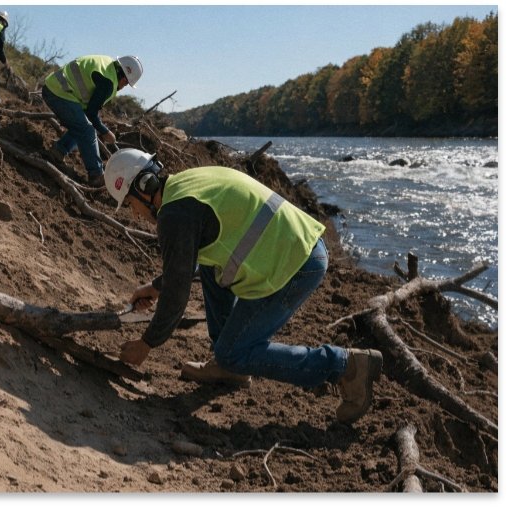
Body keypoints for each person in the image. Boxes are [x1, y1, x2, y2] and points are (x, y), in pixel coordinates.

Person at [103, 148, 384, 424]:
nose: (136, 214)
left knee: (235, 351)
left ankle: (345, 366)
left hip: (295, 265)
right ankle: (229, 369)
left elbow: (178, 296)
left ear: (143, 186)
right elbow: (186, 265)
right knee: (213, 267)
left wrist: (147, 343)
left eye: (129, 203)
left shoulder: (174, 214)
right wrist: (157, 286)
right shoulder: (187, 185)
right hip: (299, 248)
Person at [42, 55, 143, 188]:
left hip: (55, 87)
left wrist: (100, 127)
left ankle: (58, 151)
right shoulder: (108, 82)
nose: (123, 87)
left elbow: (89, 113)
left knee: (83, 124)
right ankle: (96, 175)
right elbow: (91, 113)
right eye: (125, 84)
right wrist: (105, 131)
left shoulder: (106, 65)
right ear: (124, 79)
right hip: (58, 93)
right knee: (87, 130)